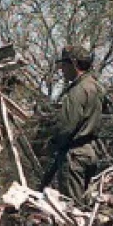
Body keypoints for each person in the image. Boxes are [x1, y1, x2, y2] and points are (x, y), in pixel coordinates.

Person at [41, 45, 104, 205]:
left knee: (73, 209)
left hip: (75, 154)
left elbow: (66, 127)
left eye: (64, 64)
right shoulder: (95, 87)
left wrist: (52, 144)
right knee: (86, 203)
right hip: (91, 151)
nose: (62, 69)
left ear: (74, 64)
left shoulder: (77, 91)